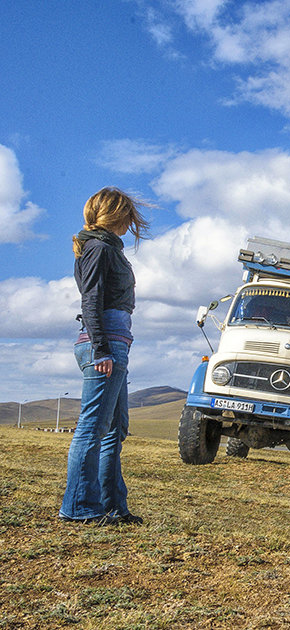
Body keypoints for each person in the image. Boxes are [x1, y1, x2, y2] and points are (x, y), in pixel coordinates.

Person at [59, 187, 150, 525]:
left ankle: (112, 507)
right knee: (93, 428)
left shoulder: (105, 247)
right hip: (105, 344)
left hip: (114, 342)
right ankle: (79, 508)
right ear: (116, 214)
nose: (131, 223)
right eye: (128, 216)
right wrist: (101, 349)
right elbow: (91, 300)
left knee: (114, 429)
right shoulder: (98, 248)